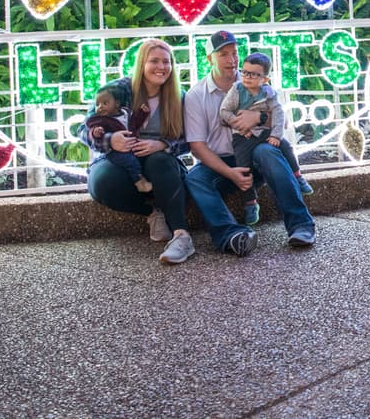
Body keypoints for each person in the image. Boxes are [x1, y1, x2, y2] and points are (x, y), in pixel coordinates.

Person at [185, 30, 317, 250]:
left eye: (234, 53)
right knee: (194, 179)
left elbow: (281, 123)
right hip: (223, 163)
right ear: (209, 59)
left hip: (256, 156)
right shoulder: (196, 95)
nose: (232, 60)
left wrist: (259, 117)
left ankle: (301, 226)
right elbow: (197, 147)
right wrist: (231, 174)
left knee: (268, 152)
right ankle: (231, 236)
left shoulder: (256, 81)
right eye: (223, 54)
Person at [80, 39, 196, 265]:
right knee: (102, 182)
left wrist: (162, 145)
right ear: (141, 63)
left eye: (166, 62)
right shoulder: (117, 91)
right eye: (154, 61)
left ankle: (182, 236)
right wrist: (110, 140)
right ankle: (152, 213)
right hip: (117, 159)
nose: (161, 67)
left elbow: (191, 139)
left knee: (161, 162)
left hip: (158, 163)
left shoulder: (178, 96)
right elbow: (83, 130)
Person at [220, 51, 313, 226]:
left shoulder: (268, 93)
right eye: (245, 72)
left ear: (264, 79)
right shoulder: (237, 90)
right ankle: (250, 203)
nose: (247, 77)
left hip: (264, 133)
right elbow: (224, 113)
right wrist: (239, 125)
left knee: (285, 146)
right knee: (243, 167)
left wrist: (275, 135)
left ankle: (298, 176)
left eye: (254, 74)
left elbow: (279, 114)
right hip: (243, 136)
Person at [85, 82, 153, 193]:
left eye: (105, 103)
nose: (100, 107)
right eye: (97, 104)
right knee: (130, 162)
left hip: (132, 146)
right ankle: (139, 181)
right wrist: (96, 132)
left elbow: (136, 123)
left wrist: (143, 113)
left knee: (142, 159)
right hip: (115, 151)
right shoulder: (101, 120)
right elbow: (91, 129)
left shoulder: (126, 113)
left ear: (117, 104)